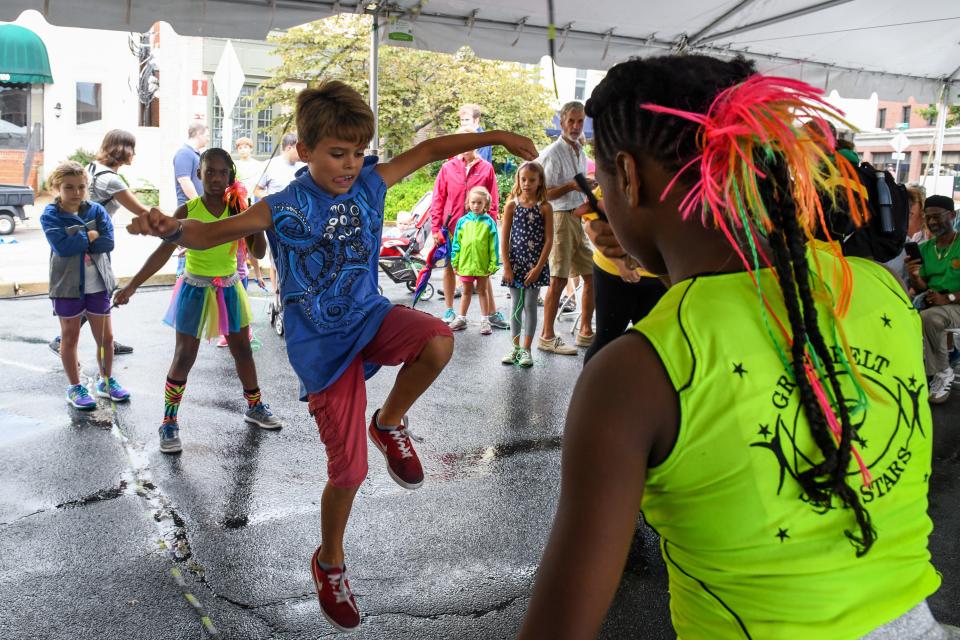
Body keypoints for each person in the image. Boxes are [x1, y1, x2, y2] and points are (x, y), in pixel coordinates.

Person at [520, 55, 950, 639]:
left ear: (627, 175)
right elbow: (736, 300)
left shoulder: (633, 374)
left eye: (600, 180)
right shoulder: (874, 286)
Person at [125, 79, 537, 632]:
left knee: (439, 338)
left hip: (369, 317)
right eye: (337, 154)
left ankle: (389, 421)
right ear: (305, 149)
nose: (350, 164)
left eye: (358, 152)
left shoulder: (368, 185)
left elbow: (433, 148)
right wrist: (174, 228)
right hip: (322, 349)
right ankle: (330, 562)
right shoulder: (284, 206)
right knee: (349, 471)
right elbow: (210, 233)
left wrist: (500, 135)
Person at [115, 148, 280, 453]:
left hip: (229, 288)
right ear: (199, 174)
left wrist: (256, 222)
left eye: (222, 172)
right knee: (184, 355)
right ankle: (168, 422)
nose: (216, 178)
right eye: (210, 172)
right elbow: (162, 253)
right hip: (194, 288)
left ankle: (254, 407)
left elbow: (257, 253)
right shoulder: (186, 210)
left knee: (243, 351)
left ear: (231, 175)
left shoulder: (239, 209)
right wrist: (132, 286)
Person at [48, 129, 148, 357]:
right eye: (132, 147)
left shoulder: (94, 167)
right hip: (94, 242)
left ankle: (105, 341)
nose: (135, 153)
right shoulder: (111, 179)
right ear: (124, 149)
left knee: (93, 291)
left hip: (82, 238)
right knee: (94, 290)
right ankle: (64, 340)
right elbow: (142, 211)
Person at [40, 162, 130, 408]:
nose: (76, 192)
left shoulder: (97, 211)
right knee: (69, 338)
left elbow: (108, 243)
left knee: (106, 338)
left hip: (98, 284)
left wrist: (80, 238)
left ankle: (106, 381)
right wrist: (90, 235)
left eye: (81, 187)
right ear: (57, 187)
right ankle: (75, 387)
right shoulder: (50, 215)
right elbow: (63, 247)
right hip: (67, 286)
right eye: (69, 187)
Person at [578, 188, 668, 364]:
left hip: (657, 277)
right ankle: (593, 389)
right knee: (607, 339)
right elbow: (591, 227)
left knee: (653, 343)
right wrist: (620, 264)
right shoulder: (615, 178)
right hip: (612, 274)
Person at [429, 128, 506, 329]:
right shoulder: (448, 167)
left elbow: (493, 199)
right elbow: (438, 198)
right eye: (459, 142)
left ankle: (491, 313)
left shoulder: (486, 168)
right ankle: (449, 310)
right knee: (449, 266)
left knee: (483, 273)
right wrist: (436, 227)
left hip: (479, 230)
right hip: (453, 225)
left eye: (467, 141)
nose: (463, 146)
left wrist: (490, 224)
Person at [536, 101, 595, 355]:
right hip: (559, 219)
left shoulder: (579, 150)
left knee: (592, 276)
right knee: (558, 279)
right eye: (571, 121)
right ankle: (547, 336)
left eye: (579, 121)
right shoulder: (553, 152)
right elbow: (543, 194)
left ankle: (585, 332)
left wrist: (585, 187)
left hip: (577, 218)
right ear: (562, 123)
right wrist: (572, 186)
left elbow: (576, 185)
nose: (575, 125)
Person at [905, 194, 960, 404]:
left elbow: (945, 300)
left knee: (930, 318)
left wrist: (948, 298)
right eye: (928, 217)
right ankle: (925, 366)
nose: (932, 222)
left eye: (937, 216)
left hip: (955, 305)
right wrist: (915, 276)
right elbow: (922, 287)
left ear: (953, 215)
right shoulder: (925, 248)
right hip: (935, 305)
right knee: (909, 315)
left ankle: (943, 372)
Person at [500, 162, 552, 367]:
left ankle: (526, 350)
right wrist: (507, 267)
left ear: (539, 182)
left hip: (534, 265)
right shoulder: (512, 205)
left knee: (530, 305)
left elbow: (549, 240)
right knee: (516, 305)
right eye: (523, 179)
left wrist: (539, 268)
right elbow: (504, 239)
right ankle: (514, 348)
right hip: (515, 264)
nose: (527, 183)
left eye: (532, 180)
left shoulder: (545, 207)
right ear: (518, 180)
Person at [449, 186, 499, 334]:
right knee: (466, 292)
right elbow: (456, 243)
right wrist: (455, 261)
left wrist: (493, 263)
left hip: (483, 265)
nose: (476, 206)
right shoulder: (462, 222)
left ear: (486, 204)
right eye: (473, 202)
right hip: (465, 264)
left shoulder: (489, 223)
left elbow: (493, 246)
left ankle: (485, 321)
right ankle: (461, 318)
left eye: (479, 203)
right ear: (468, 203)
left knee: (483, 291)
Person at [255, 133, 304, 198]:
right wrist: (274, 201)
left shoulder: (304, 167)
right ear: (289, 148)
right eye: (299, 148)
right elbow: (257, 190)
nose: (302, 152)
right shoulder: (269, 165)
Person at [173, 122, 208, 206]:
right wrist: (199, 204)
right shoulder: (184, 153)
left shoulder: (195, 154)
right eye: (207, 136)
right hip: (189, 209)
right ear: (199, 134)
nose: (208, 139)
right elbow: (184, 181)